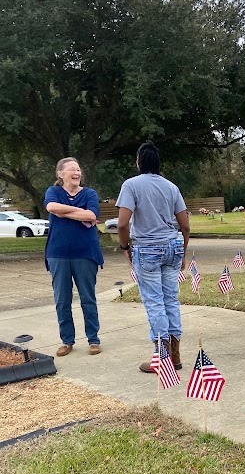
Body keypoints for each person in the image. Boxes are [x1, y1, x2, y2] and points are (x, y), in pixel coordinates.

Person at [116, 141, 190, 372]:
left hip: (147, 248)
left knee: (154, 302)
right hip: (173, 246)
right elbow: (185, 225)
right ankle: (175, 355)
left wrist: (125, 247)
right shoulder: (171, 187)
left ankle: (162, 358)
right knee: (171, 300)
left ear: (139, 161)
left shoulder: (131, 185)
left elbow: (122, 224)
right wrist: (183, 251)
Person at [44, 158, 104, 356]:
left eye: (78, 169)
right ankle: (67, 340)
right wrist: (81, 212)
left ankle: (93, 339)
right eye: (72, 169)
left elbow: (92, 216)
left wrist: (67, 212)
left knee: (88, 298)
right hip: (58, 254)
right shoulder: (53, 192)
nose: (77, 172)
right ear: (60, 174)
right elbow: (51, 208)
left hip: (85, 253)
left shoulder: (89, 193)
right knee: (62, 299)